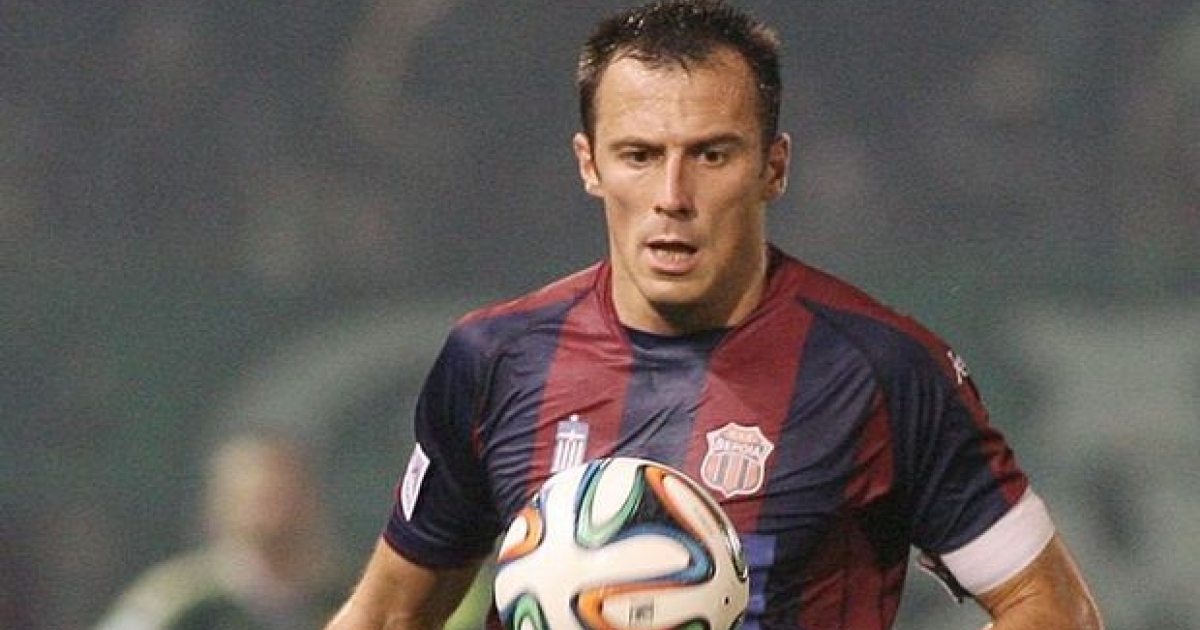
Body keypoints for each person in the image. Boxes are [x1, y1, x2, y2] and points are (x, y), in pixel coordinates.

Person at [324, 1, 1104, 629]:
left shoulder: (881, 370)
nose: (673, 196)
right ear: (589, 164)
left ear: (774, 167)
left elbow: (1052, 607)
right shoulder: (494, 359)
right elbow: (388, 613)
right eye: (639, 155)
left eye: (711, 154)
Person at [95, 433, 349, 630]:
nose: (275, 511)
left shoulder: (349, 597)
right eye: (257, 497)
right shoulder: (178, 602)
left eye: (284, 493)